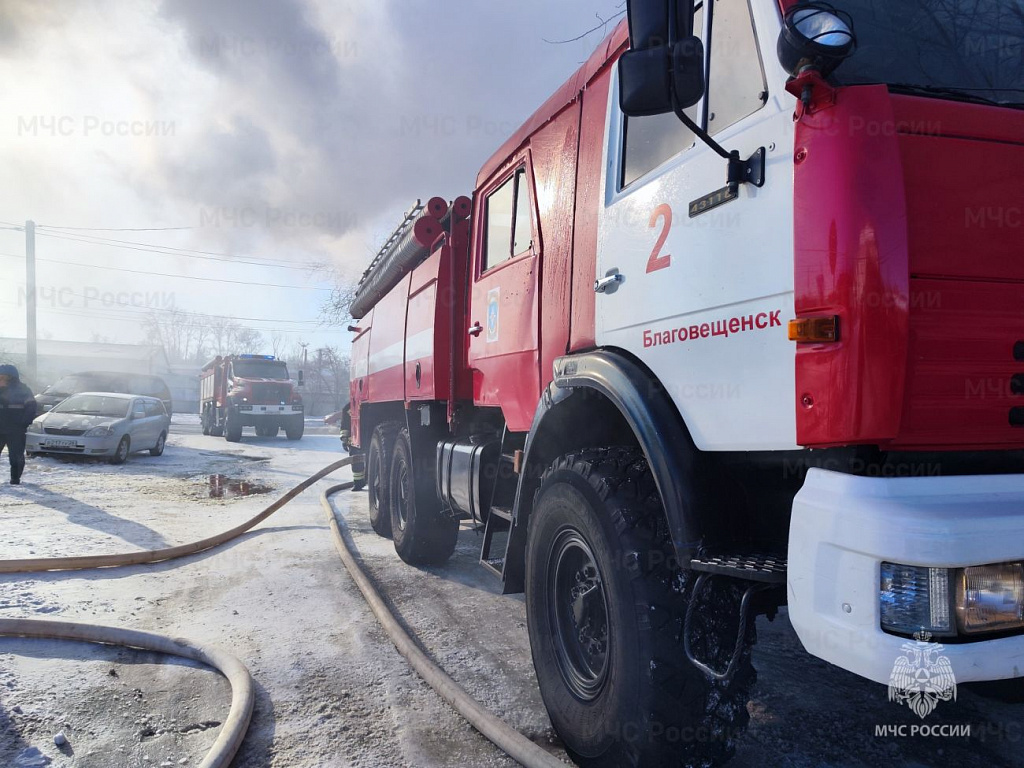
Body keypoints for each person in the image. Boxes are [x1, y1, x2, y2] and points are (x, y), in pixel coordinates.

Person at [0, 364, 37, 485]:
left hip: (15, 430)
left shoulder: (23, 390)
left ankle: (15, 479)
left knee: (15, 457)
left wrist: (23, 424)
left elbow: (31, 408)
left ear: (11, 378)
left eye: (2, 377)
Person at [324, 403, 366, 490]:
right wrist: (344, 438)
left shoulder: (350, 408)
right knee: (355, 459)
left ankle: (363, 480)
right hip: (354, 437)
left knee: (363, 459)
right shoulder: (348, 408)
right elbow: (345, 425)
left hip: (364, 436)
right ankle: (358, 482)